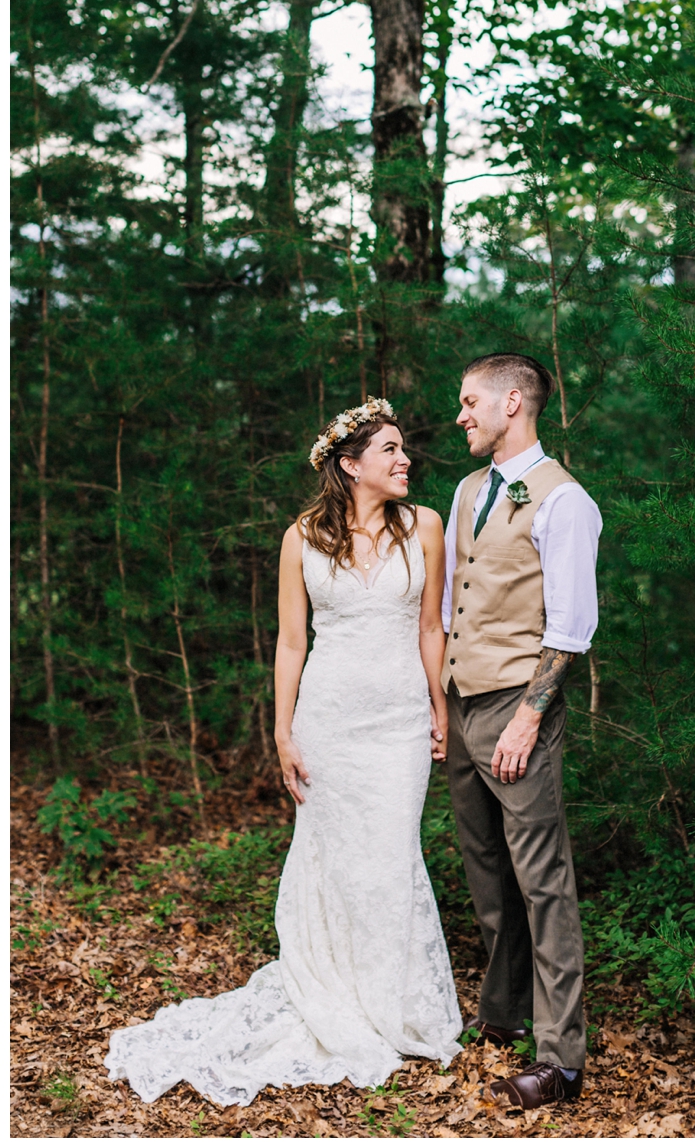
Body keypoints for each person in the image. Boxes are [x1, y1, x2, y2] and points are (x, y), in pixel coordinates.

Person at [104, 397, 462, 1106]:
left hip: (396, 723)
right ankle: (338, 997)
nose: (405, 460)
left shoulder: (425, 525)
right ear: (351, 465)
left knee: (391, 857)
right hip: (328, 721)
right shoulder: (301, 537)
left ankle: (396, 1007)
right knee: (333, 859)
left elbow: (431, 627)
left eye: (404, 449)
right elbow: (292, 642)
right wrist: (282, 730)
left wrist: (439, 703)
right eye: (390, 450)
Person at [440, 352, 602, 1111]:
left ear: (513, 403)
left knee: (543, 883)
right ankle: (500, 1016)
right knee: (487, 875)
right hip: (462, 703)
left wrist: (529, 718)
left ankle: (561, 1061)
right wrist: (442, 705)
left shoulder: (564, 500)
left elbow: (569, 629)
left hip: (517, 707)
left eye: (471, 403)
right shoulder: (469, 488)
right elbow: (450, 606)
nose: (462, 416)